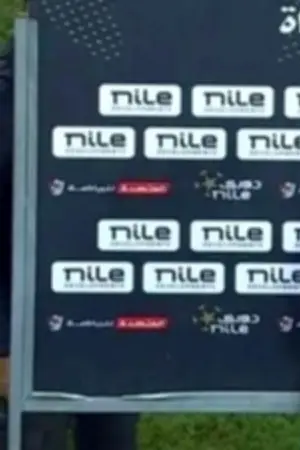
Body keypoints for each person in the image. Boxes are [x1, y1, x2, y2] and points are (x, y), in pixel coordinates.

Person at [0, 36, 139, 450]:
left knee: (112, 436)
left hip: (106, 326)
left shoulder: (127, 85)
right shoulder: (14, 99)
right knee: (36, 434)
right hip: (28, 333)